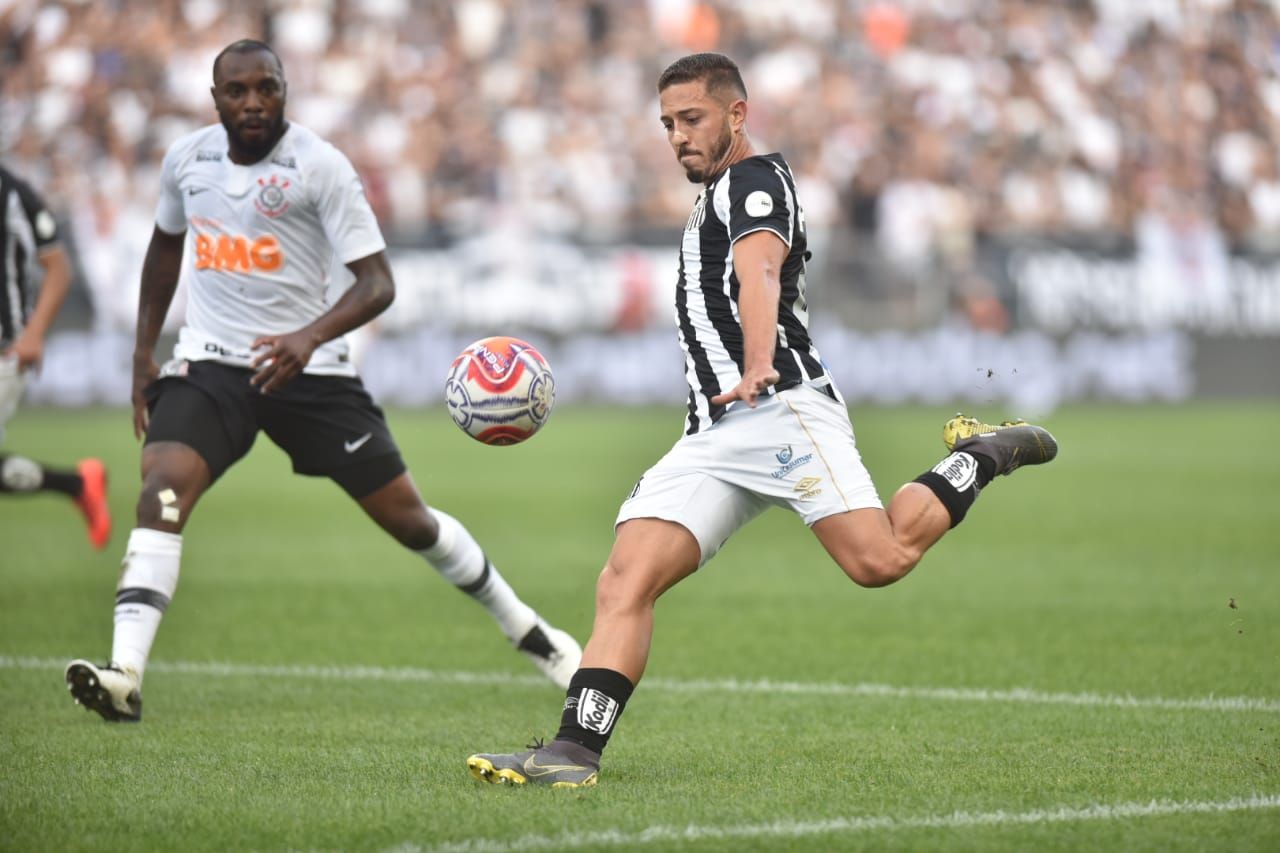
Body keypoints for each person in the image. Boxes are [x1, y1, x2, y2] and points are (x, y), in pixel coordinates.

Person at [466, 53, 1058, 788]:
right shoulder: (714, 191)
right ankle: (572, 752)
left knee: (880, 560)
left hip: (780, 408)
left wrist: (755, 361)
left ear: (736, 115)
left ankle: (982, 453)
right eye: (668, 124)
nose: (678, 136)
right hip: (714, 433)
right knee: (624, 580)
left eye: (692, 119)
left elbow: (762, 272)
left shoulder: (753, 181)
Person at [64, 40, 581, 723]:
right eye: (238, 91)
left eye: (267, 89)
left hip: (312, 370)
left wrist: (309, 338)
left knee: (411, 521)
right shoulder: (186, 160)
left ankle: (531, 632)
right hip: (212, 361)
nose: (253, 103)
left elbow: (379, 284)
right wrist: (142, 353)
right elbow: (166, 247)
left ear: (286, 91)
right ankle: (126, 672)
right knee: (161, 489)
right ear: (214, 98)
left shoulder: (320, 167)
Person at [1, 164, 111, 549]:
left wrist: (33, 332)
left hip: (7, 348)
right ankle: (79, 484)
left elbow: (59, 270)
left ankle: (78, 484)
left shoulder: (13, 192)